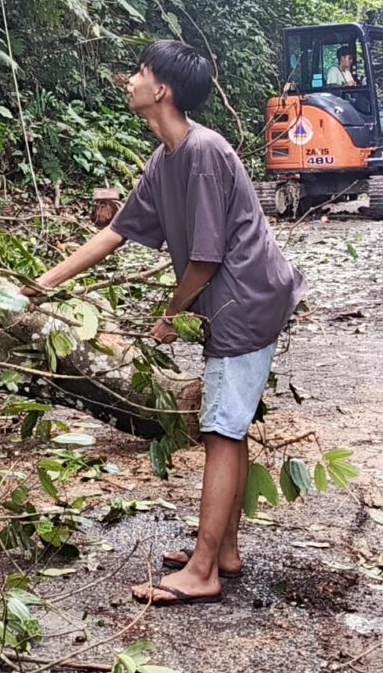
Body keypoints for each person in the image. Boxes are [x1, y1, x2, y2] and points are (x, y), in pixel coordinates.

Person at [32, 39, 303, 607]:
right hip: (230, 301)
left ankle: (203, 570)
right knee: (229, 424)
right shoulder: (165, 158)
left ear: (161, 91)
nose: (130, 80)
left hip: (244, 301)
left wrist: (171, 317)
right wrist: (43, 284)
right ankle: (223, 552)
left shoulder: (203, 152)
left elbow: (205, 259)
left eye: (140, 72)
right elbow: (117, 231)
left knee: (221, 430)